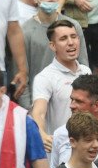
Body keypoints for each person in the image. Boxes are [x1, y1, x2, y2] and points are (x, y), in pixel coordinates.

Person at [22, 0, 88, 109]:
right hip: (40, 98)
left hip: (72, 98)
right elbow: (22, 74)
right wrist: (28, 110)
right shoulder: (25, 31)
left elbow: (83, 63)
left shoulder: (73, 26)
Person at [31, 20, 92, 151]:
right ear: (53, 46)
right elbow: (39, 112)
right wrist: (41, 134)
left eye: (73, 36)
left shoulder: (86, 71)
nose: (71, 42)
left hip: (87, 147)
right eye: (63, 39)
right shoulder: (44, 77)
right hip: (61, 150)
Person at [49, 74, 98, 168]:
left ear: (97, 106)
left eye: (79, 101)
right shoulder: (60, 134)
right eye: (72, 99)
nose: (71, 106)